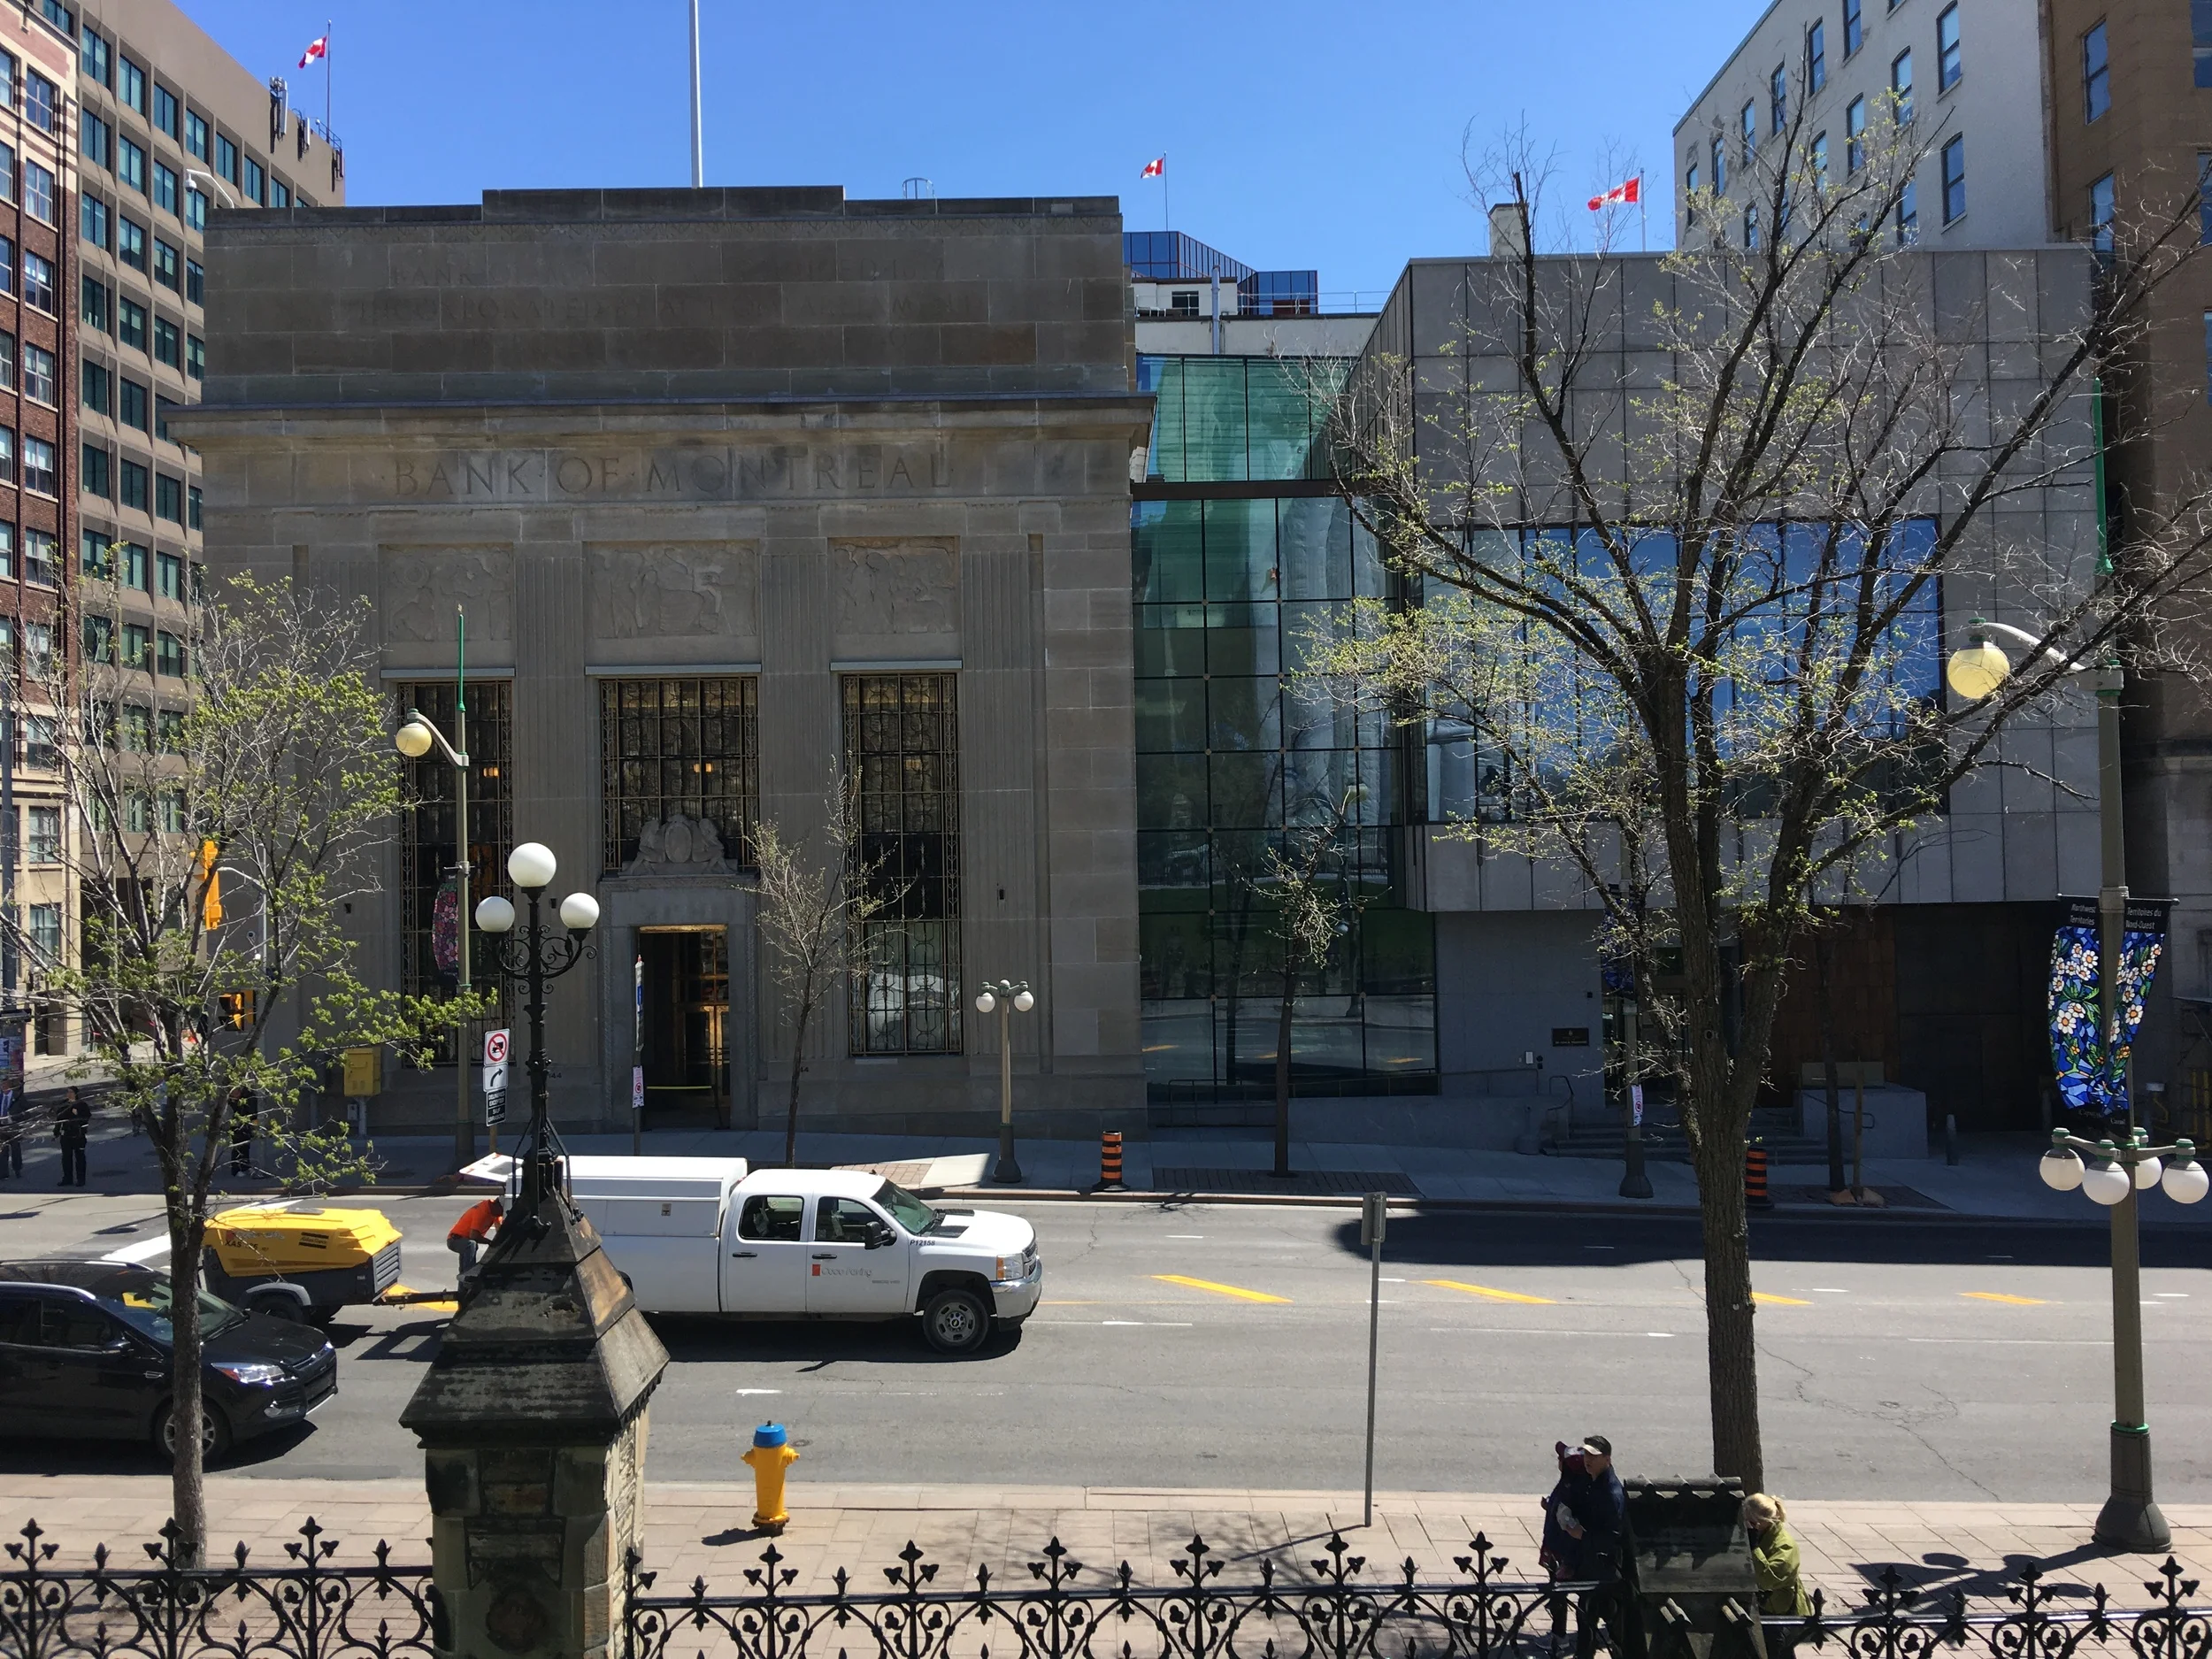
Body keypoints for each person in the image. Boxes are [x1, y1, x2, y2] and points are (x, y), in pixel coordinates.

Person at [1559, 1434, 1625, 1659]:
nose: (1588, 1459)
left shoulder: (1611, 1493)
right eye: (1586, 1454)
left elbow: (1613, 1536)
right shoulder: (1591, 1482)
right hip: (1588, 1565)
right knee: (1586, 1617)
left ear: (1607, 1459)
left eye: (1594, 1456)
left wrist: (1582, 1536)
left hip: (1604, 1569)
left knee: (1606, 1622)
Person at [1539, 1441, 1591, 1655]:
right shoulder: (1568, 1485)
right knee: (1558, 1593)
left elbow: (1570, 1524)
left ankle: (1560, 1637)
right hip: (1557, 1547)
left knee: (1560, 1594)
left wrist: (1567, 1561)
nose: (1558, 1462)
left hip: (1563, 1552)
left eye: (1561, 1459)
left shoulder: (1572, 1491)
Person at [1743, 1493, 1810, 1617]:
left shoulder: (1785, 1547)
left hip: (1778, 1611)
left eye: (1750, 1522)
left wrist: (1754, 1548)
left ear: (1763, 1522)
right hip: (1759, 1604)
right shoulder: (1760, 1535)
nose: (1746, 1525)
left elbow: (1766, 1581)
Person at [448, 1195, 503, 1277]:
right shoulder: (482, 1210)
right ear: (496, 1205)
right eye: (501, 1211)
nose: (501, 1213)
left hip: (464, 1240)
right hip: (455, 1240)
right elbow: (474, 1235)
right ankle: (470, 1275)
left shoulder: (496, 1212)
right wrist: (490, 1242)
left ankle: (464, 1286)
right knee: (471, 1244)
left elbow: (500, 1230)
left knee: (463, 1270)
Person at [54, 1087, 89, 1188]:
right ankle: (67, 1178)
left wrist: (77, 1114)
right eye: (68, 1092)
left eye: (71, 1092)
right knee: (66, 1158)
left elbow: (86, 1117)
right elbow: (59, 1119)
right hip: (66, 1135)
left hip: (78, 1135)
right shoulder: (64, 1105)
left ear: (76, 1094)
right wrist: (56, 1132)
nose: (69, 1094)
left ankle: (81, 1179)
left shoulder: (81, 1104)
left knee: (80, 1158)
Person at [227, 1088, 257, 1177]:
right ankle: (236, 1169)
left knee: (245, 1147)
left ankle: (245, 1166)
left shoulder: (249, 1098)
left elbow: (254, 1114)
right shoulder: (233, 1100)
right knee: (237, 1146)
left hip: (245, 1123)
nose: (234, 1096)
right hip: (236, 1124)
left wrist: (254, 1127)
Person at [0, 1090, 20, 1179]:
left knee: (15, 1149)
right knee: (2, 1150)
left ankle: (17, 1169)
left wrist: (19, 1121)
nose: (3, 1086)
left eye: (5, 1083)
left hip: (13, 1126)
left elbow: (26, 1109)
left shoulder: (17, 1097)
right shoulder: (0, 1097)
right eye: (2, 1084)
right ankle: (4, 1173)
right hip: (1, 1127)